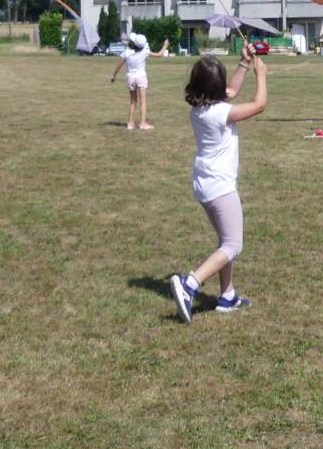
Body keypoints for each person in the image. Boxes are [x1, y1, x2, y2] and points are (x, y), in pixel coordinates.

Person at [170, 44, 268, 321]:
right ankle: (190, 284)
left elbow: (231, 92)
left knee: (225, 241)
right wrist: (262, 74)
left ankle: (227, 296)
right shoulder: (220, 113)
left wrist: (244, 63)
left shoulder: (200, 108)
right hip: (220, 187)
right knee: (233, 245)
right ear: (216, 88)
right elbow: (259, 105)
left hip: (204, 186)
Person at [110, 31, 154, 130]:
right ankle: (142, 123)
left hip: (130, 77)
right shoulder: (144, 51)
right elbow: (159, 55)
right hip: (141, 77)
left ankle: (130, 123)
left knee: (133, 102)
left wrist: (114, 75)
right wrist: (165, 46)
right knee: (143, 102)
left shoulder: (127, 52)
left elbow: (119, 65)